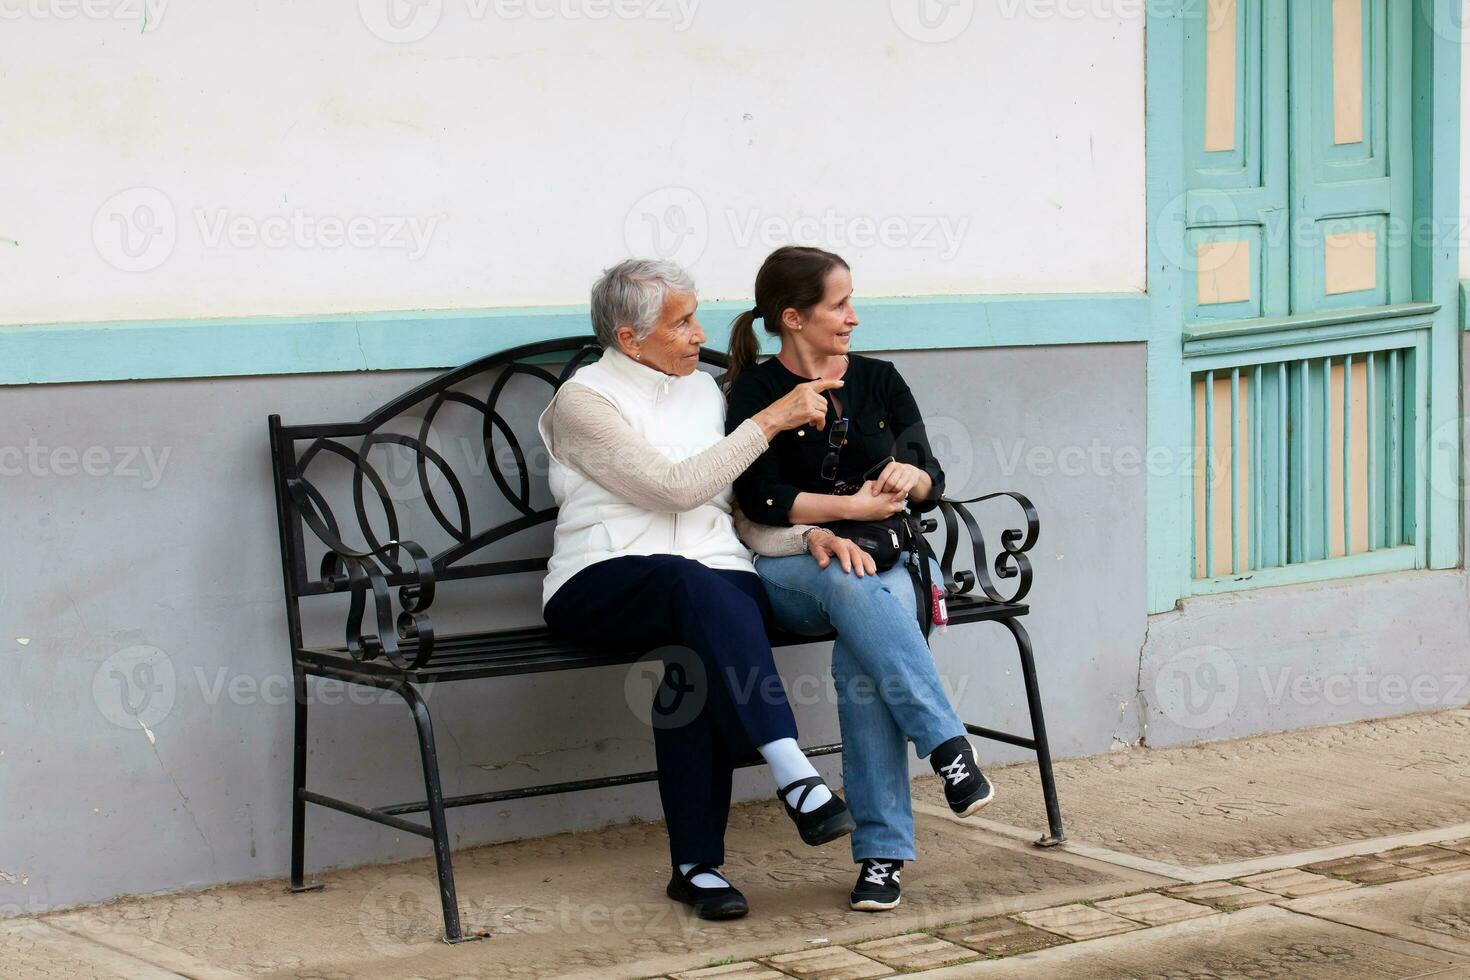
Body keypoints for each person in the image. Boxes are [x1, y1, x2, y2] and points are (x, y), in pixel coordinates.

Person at [539, 258, 855, 921]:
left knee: (696, 653)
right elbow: (674, 488)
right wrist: (767, 422)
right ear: (629, 338)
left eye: (694, 317)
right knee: (694, 585)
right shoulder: (583, 402)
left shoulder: (705, 394)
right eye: (681, 321)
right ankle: (792, 769)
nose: (696, 333)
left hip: (706, 585)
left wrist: (804, 539)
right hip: (604, 579)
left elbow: (733, 511)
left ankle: (696, 869)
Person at [724, 245, 996, 913]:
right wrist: (848, 510)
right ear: (794, 317)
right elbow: (759, 499)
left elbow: (928, 476)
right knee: (850, 587)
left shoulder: (880, 380)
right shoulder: (757, 394)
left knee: (862, 649)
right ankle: (946, 747)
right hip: (796, 570)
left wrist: (914, 477)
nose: (853, 318)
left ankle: (880, 859)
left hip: (888, 559)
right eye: (839, 305)